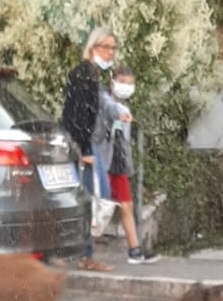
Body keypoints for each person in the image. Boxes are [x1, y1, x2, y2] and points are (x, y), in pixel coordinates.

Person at [61, 27, 117, 272]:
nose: (109, 53)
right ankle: (85, 255)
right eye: (105, 47)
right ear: (93, 47)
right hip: (82, 143)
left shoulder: (86, 73)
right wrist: (84, 149)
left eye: (112, 48)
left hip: (77, 141)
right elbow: (79, 114)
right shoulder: (86, 75)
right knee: (94, 198)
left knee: (88, 199)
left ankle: (82, 253)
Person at [94, 65, 159, 264]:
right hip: (100, 162)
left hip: (118, 164)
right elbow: (111, 109)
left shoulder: (124, 108)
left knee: (126, 206)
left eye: (130, 83)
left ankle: (135, 251)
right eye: (122, 82)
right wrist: (121, 112)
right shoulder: (102, 100)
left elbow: (123, 139)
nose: (126, 87)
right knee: (97, 209)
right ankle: (83, 252)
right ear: (112, 81)